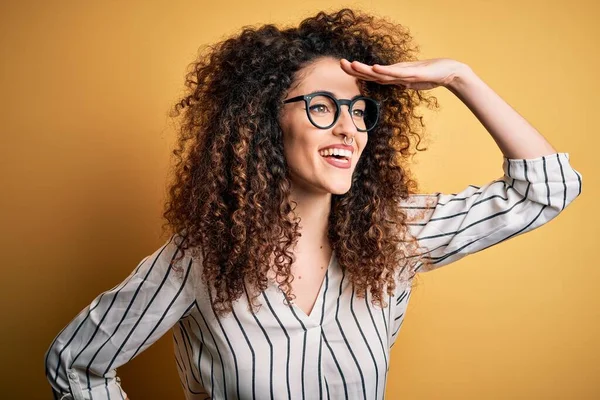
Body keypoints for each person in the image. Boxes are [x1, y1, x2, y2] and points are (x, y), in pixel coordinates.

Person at [44, 8, 583, 400]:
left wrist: (461, 78)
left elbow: (544, 190)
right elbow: (77, 365)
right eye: (323, 107)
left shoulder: (394, 236)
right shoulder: (198, 260)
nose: (349, 127)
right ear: (263, 120)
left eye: (359, 110)